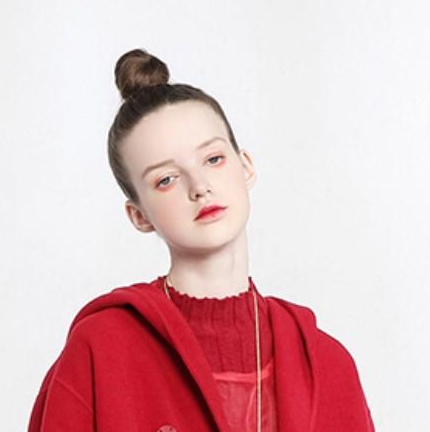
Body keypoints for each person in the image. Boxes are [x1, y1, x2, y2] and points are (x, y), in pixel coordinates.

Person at [27, 49, 376, 432]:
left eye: (212, 159)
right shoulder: (100, 348)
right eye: (166, 179)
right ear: (139, 215)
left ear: (245, 166)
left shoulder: (327, 363)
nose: (199, 186)